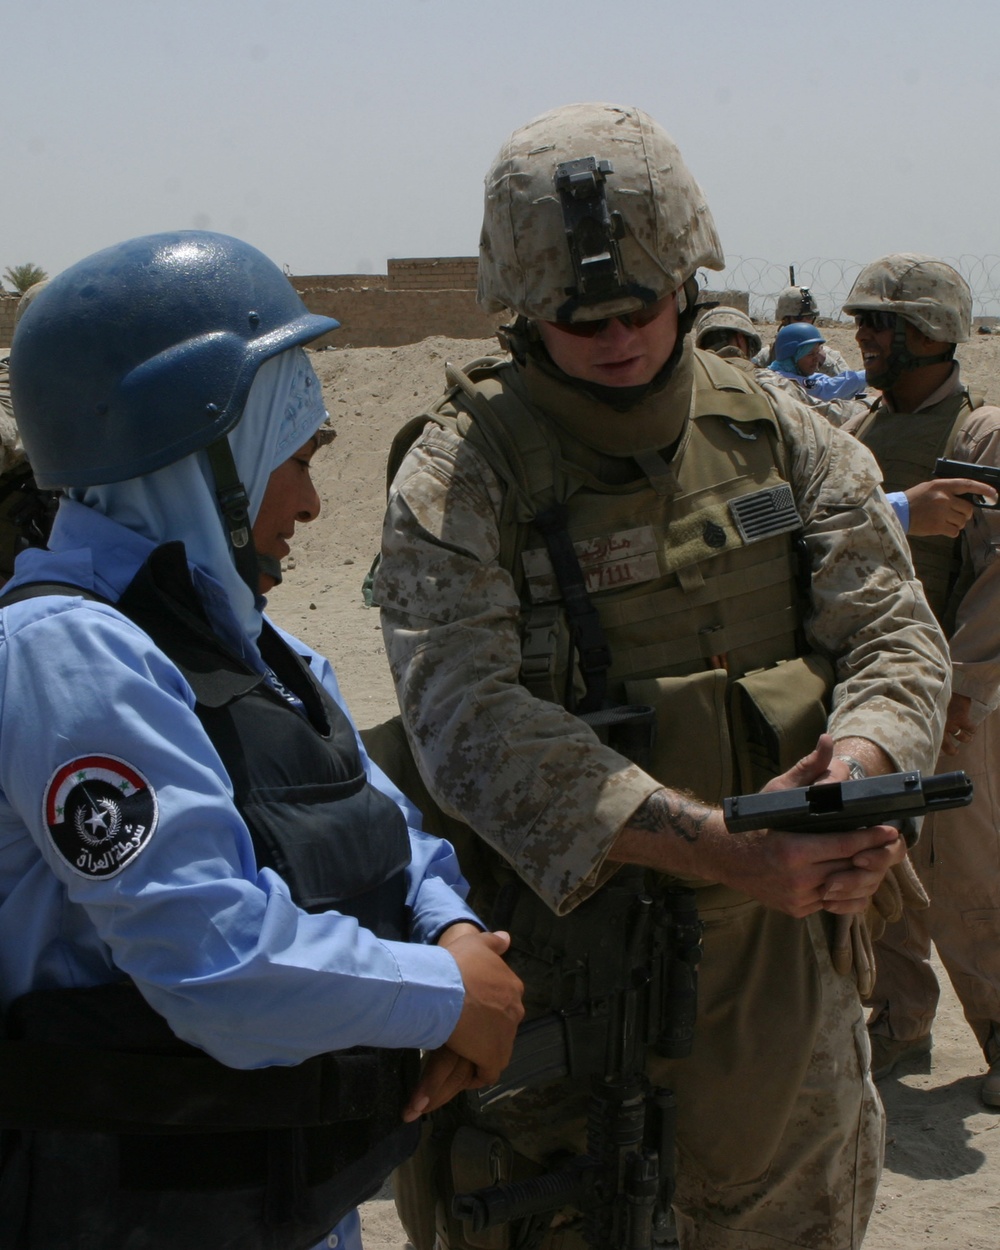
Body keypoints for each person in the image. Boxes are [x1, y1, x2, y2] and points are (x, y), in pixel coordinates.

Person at [372, 103, 950, 1250]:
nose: (617, 338)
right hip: (584, 995)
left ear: (688, 281)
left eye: (641, 306)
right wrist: (722, 844)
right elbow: (467, 723)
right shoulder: (459, 475)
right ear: (520, 311)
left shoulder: (784, 431)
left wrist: (864, 759)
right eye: (576, 318)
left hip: (790, 987)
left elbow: (893, 630)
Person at [0, 230, 524, 1250]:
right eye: (293, 458)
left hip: (281, 1196)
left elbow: (386, 824)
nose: (312, 502)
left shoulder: (248, 636)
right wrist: (447, 996)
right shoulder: (70, 655)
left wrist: (454, 935)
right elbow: (211, 959)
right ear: (201, 455)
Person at [841, 254, 1000, 1104]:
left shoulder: (980, 435)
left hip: (954, 695)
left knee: (966, 873)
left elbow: (995, 577)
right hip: (873, 689)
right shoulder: (858, 427)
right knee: (879, 868)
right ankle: (899, 1022)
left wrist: (966, 688)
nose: (862, 337)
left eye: (879, 323)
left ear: (928, 334)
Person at [696, 306, 868, 427]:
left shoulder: (690, 382)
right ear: (741, 340)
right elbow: (822, 413)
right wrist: (870, 402)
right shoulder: (768, 381)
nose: (815, 359)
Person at [753, 283, 849, 375]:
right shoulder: (766, 356)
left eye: (809, 317)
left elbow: (849, 384)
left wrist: (824, 361)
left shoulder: (829, 356)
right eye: (798, 318)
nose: (804, 323)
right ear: (785, 321)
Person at [768, 322, 868, 401]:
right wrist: (873, 374)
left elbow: (829, 383)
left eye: (817, 353)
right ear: (791, 357)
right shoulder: (782, 380)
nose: (816, 359)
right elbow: (825, 389)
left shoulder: (800, 374)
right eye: (810, 354)